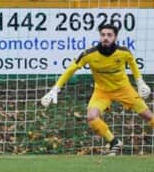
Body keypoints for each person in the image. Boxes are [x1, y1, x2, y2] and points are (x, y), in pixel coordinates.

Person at [41, 23, 153, 155]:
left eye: (109, 35)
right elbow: (71, 69)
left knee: (147, 116)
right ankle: (114, 142)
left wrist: (140, 82)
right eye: (103, 35)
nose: (106, 38)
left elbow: (133, 64)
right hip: (102, 92)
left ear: (115, 37)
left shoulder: (124, 52)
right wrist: (55, 89)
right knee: (91, 117)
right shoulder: (89, 54)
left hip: (124, 89)